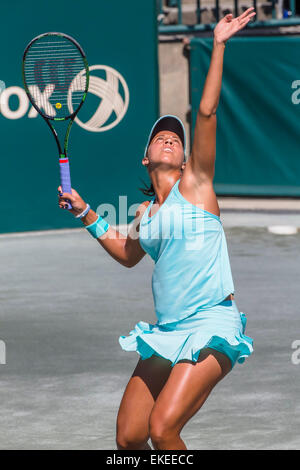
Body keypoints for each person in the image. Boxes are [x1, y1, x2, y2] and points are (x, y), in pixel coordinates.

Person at [58, 8, 256, 450]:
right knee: (129, 439)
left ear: (186, 160)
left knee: (163, 429)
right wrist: (86, 211)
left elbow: (206, 113)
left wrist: (218, 44)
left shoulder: (198, 185)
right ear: (145, 158)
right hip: (166, 333)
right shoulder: (144, 214)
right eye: (159, 136)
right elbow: (129, 254)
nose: (169, 137)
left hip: (210, 325)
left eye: (176, 138)